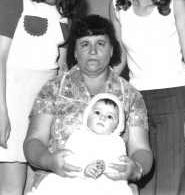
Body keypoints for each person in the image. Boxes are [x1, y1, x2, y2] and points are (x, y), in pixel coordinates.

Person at [23, 14, 153, 195]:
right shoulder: (53, 88)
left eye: (100, 44)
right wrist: (48, 160)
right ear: (75, 52)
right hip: (58, 183)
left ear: (112, 50)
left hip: (110, 187)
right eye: (85, 44)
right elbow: (34, 140)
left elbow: (141, 149)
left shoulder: (130, 94)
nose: (92, 51)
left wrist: (136, 169)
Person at [109, 0, 185, 195]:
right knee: (141, 181)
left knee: (174, 182)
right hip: (136, 101)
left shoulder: (175, 3)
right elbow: (119, 61)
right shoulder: (117, 6)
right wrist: (93, 85)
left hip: (176, 99)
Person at [0, 0, 83, 195]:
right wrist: (1, 111)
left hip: (46, 99)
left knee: (36, 186)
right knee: (12, 186)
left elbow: (62, 67)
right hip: (13, 94)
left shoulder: (65, 9)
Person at [27, 93, 134, 195]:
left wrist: (105, 166)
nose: (102, 118)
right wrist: (84, 168)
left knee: (122, 190)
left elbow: (121, 164)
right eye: (97, 112)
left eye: (110, 117)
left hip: (106, 183)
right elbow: (68, 159)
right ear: (87, 115)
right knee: (52, 182)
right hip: (77, 180)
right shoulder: (78, 136)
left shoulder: (116, 142)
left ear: (118, 125)